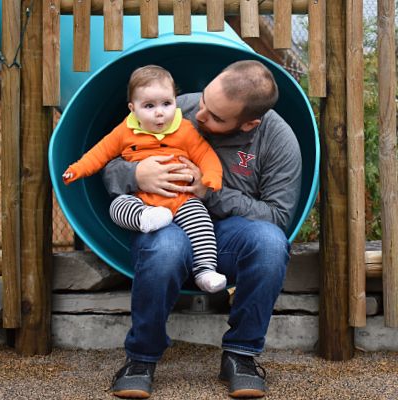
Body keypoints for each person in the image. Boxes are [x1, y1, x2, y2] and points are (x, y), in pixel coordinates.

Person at [104, 60, 302, 398]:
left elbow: (278, 216)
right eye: (205, 101)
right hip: (166, 226)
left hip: (225, 240)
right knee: (166, 248)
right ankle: (141, 358)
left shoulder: (278, 141)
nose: (200, 115)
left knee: (270, 243)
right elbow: (110, 166)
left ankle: (241, 357)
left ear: (249, 123)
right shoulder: (177, 108)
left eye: (216, 117)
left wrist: (210, 191)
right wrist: (136, 175)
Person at [62, 65, 227, 293]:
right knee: (118, 207)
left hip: (179, 198)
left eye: (166, 104)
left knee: (201, 222)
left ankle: (205, 271)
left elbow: (205, 154)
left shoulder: (185, 130)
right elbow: (100, 153)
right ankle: (144, 218)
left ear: (175, 102)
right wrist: (77, 169)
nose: (160, 113)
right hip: (140, 199)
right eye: (149, 106)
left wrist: (212, 177)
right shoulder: (124, 131)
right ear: (133, 109)